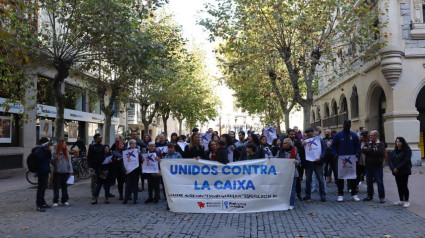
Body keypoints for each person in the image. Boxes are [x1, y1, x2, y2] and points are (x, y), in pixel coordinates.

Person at [331, 120, 361, 202]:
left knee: (353, 178)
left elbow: (358, 146)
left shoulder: (354, 135)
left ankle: (354, 194)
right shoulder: (338, 135)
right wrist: (335, 154)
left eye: (349, 125)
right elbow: (333, 146)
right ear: (343, 125)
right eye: (346, 124)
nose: (347, 126)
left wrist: (357, 153)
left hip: (352, 160)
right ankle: (340, 194)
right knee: (340, 178)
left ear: (350, 125)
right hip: (341, 160)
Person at [302, 128, 327, 202]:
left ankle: (323, 195)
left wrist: (321, 157)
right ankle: (308, 195)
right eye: (306, 133)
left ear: (312, 132)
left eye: (309, 132)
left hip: (318, 162)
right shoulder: (304, 142)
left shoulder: (319, 140)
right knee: (308, 180)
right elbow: (302, 152)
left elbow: (324, 149)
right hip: (308, 163)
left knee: (320, 179)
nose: (308, 134)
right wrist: (302, 145)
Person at [362, 130, 386, 203]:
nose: (370, 137)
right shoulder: (367, 143)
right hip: (368, 166)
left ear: (376, 136)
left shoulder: (381, 144)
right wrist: (373, 150)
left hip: (377, 166)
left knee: (379, 182)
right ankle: (369, 195)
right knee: (368, 181)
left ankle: (381, 197)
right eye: (370, 135)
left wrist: (369, 150)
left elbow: (380, 152)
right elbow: (363, 150)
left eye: (372, 135)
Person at [276, 138, 301, 210]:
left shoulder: (294, 152)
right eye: (283, 143)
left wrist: (295, 162)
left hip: (293, 173)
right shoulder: (280, 151)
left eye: (285, 143)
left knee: (292, 189)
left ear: (289, 144)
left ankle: (291, 203)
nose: (283, 144)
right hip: (283, 173)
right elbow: (276, 159)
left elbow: (299, 161)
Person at [389, 137, 412, 208]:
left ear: (403, 142)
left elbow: (406, 161)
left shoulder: (407, 150)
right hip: (396, 171)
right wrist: (393, 168)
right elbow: (390, 160)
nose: (398, 143)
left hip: (404, 171)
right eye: (397, 142)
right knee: (399, 185)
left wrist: (397, 168)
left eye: (399, 142)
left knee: (404, 185)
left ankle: (407, 201)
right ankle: (401, 200)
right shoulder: (394, 150)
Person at [51, 140, 73, 207]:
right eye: (63, 144)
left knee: (64, 187)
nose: (64, 145)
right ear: (60, 145)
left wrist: (70, 172)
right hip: (58, 173)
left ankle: (65, 200)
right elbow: (52, 163)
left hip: (65, 173)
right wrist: (56, 158)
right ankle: (55, 201)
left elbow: (69, 163)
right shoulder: (55, 153)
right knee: (56, 188)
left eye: (65, 144)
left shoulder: (66, 153)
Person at [34, 137, 52, 212]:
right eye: (46, 143)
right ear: (42, 143)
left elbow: (49, 158)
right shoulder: (37, 149)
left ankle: (43, 202)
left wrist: (49, 151)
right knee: (40, 188)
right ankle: (39, 205)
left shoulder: (44, 150)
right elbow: (39, 157)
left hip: (45, 170)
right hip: (41, 171)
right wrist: (44, 150)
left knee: (44, 187)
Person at [287, 129, 305, 200]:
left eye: (294, 134)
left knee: (298, 180)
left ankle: (298, 194)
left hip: (296, 164)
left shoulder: (297, 142)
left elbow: (302, 152)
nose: (293, 136)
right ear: (288, 134)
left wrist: (299, 148)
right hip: (287, 165)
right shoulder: (285, 141)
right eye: (291, 134)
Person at [123, 140, 141, 204]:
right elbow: (124, 162)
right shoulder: (126, 151)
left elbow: (141, 159)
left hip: (136, 170)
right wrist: (125, 170)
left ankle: (135, 199)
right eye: (132, 143)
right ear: (130, 144)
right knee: (128, 185)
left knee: (135, 185)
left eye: (135, 143)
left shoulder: (137, 151)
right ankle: (126, 198)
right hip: (128, 171)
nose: (133, 145)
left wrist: (139, 154)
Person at [87, 133, 104, 201]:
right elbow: (89, 157)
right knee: (93, 180)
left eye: (100, 138)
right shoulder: (92, 146)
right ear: (95, 139)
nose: (100, 139)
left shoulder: (102, 146)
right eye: (98, 138)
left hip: (100, 166)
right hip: (93, 166)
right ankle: (93, 194)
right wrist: (90, 166)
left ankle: (98, 193)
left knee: (100, 180)